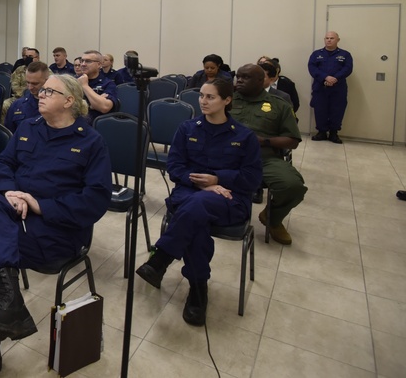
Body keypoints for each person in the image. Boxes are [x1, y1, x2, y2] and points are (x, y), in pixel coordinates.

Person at [0, 74, 112, 378]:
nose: (40, 94)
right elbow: (3, 165)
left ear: (69, 101)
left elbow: (95, 200)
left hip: (57, 230)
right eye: (42, 89)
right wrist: (9, 191)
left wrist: (40, 205)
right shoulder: (27, 127)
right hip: (15, 214)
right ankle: (9, 304)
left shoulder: (90, 142)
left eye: (49, 91)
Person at [136, 77, 261, 326]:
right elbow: (174, 167)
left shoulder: (245, 137)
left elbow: (252, 179)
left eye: (210, 97)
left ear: (227, 100)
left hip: (230, 200)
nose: (203, 101)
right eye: (201, 96)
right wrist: (205, 184)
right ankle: (198, 288)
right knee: (197, 223)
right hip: (190, 193)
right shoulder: (187, 129)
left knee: (195, 208)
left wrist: (218, 178)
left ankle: (161, 258)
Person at [231, 64, 305, 245]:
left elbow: (292, 140)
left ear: (261, 81)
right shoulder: (226, 99)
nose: (239, 80)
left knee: (292, 186)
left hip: (263, 158)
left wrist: (264, 141)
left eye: (245, 77)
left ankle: (273, 218)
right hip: (226, 156)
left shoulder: (279, 104)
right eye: (238, 77)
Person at [308, 31, 353, 143]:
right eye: (327, 38)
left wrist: (335, 78)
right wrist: (325, 77)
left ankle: (334, 133)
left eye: (332, 38)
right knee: (320, 109)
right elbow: (312, 68)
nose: (329, 40)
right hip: (320, 87)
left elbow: (347, 69)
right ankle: (321, 132)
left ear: (338, 40)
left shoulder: (345, 55)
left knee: (337, 110)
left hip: (338, 88)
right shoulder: (316, 54)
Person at [4, 62, 48, 133]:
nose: (30, 87)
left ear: (47, 81)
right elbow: (9, 135)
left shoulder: (55, 107)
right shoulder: (17, 105)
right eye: (28, 82)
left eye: (35, 83)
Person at [78, 50, 118, 123]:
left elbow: (104, 107)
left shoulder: (108, 84)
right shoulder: (74, 81)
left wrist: (85, 86)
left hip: (95, 127)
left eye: (88, 61)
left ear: (99, 64)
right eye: (82, 61)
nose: (83, 64)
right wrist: (93, 105)